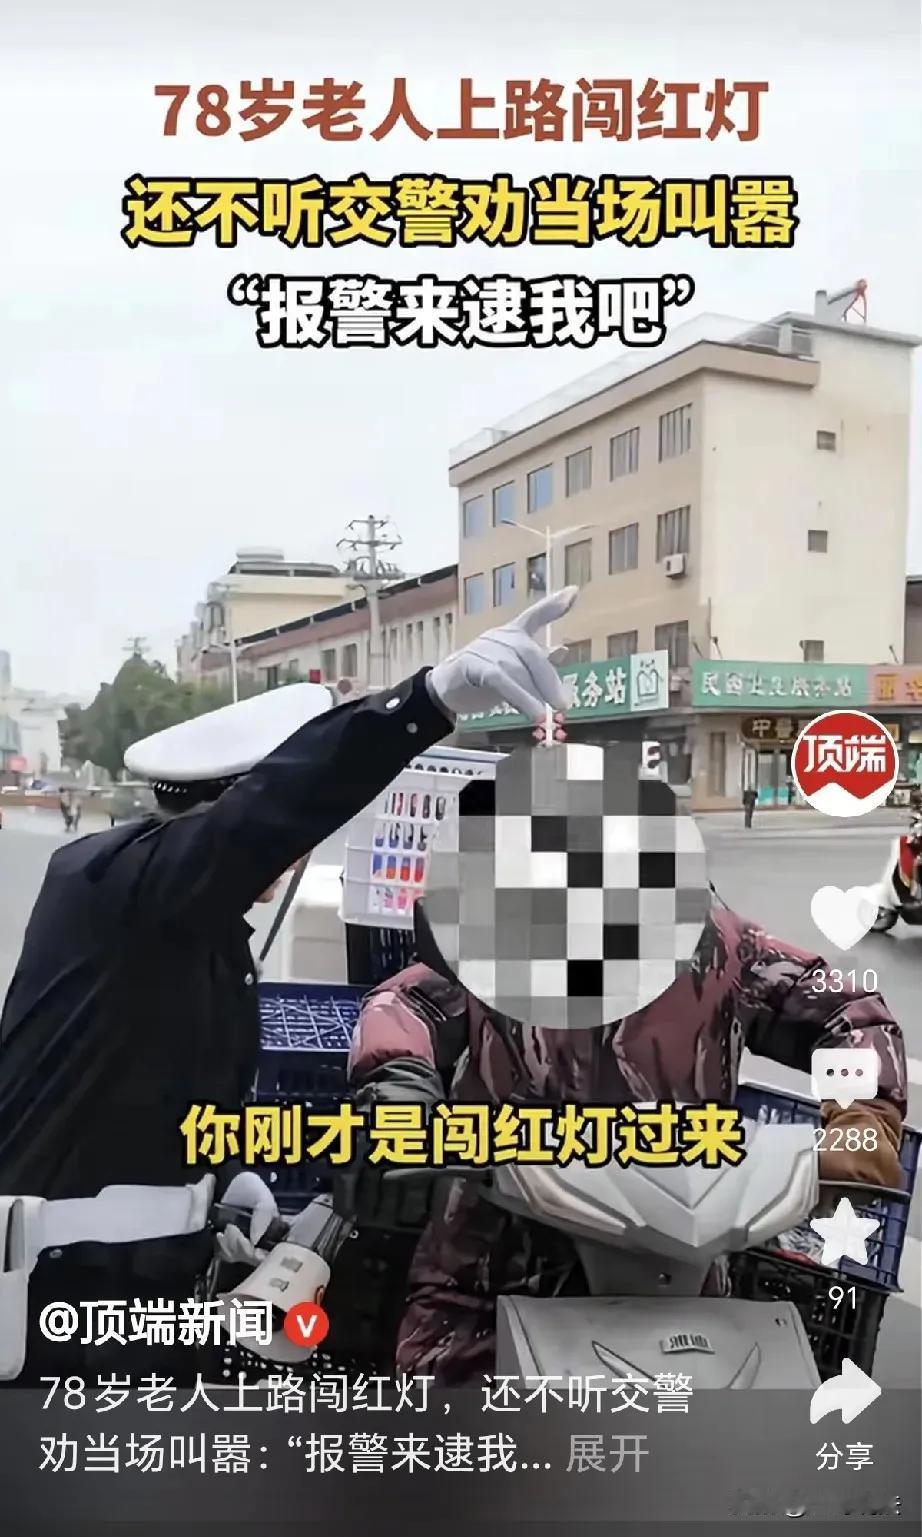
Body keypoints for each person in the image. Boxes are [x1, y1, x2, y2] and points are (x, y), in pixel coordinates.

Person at [0, 588, 577, 1384]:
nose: (289, 857)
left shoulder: (193, 926)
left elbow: (163, 1080)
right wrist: (427, 701)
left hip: (145, 1284)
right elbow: (272, 812)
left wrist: (222, 1177)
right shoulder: (116, 884)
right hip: (56, 1303)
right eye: (281, 838)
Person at [339, 746, 907, 1386]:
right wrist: (399, 1087)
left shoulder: (721, 946)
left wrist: (863, 1114)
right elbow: (405, 1004)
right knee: (454, 1425)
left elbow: (847, 1010)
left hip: (684, 1264)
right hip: (493, 1278)